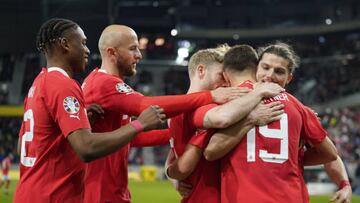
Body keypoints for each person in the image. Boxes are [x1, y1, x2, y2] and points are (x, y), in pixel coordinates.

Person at [81, 25, 243, 203]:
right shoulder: (103, 83)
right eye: (133, 48)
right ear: (112, 52)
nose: (139, 55)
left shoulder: (108, 85)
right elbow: (145, 106)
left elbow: (129, 138)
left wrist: (178, 132)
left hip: (111, 190)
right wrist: (209, 96)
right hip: (98, 193)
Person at [14, 18, 166, 203]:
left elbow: (23, 144)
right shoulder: (63, 85)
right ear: (65, 45)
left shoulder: (37, 84)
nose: (87, 50)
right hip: (53, 196)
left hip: (28, 193)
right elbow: (86, 148)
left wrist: (76, 123)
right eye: (83, 43)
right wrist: (139, 124)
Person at [203, 43, 338, 203]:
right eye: (265, 67)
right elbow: (329, 153)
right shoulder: (299, 107)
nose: (269, 75)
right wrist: (293, 158)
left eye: (279, 71)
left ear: (289, 78)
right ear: (256, 68)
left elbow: (210, 152)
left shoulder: (233, 98)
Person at [165, 45, 285, 203]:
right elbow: (222, 118)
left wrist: (172, 176)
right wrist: (257, 98)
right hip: (213, 197)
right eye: (221, 75)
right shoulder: (206, 109)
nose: (227, 82)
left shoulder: (175, 112)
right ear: (201, 71)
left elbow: (172, 157)